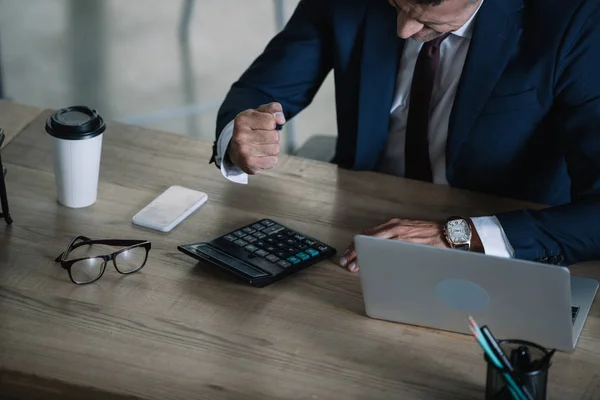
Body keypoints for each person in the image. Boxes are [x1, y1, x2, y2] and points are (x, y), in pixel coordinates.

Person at [210, 0, 600, 272]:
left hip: (504, 240)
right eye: (397, 4)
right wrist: (240, 130)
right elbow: (261, 89)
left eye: (429, 20)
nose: (404, 30)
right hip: (359, 217)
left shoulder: (578, 18)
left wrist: (460, 235)